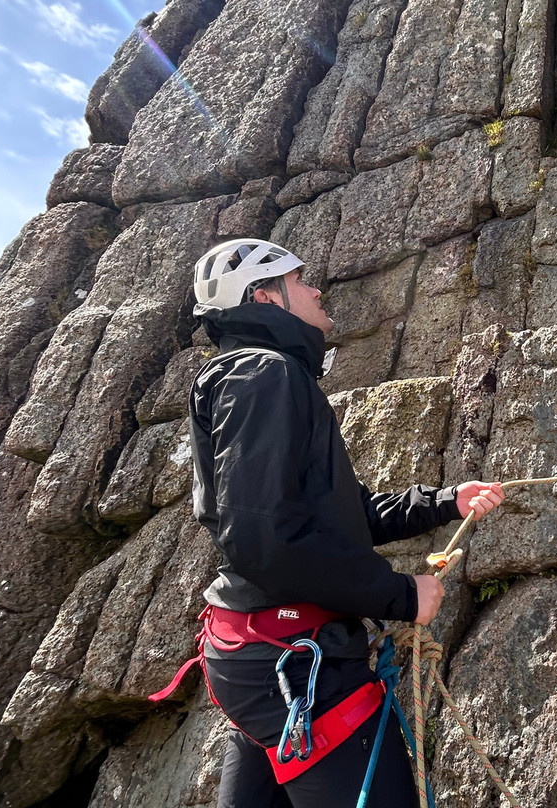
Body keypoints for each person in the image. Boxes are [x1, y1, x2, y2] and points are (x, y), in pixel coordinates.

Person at [186, 238, 505, 807]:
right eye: (299, 281)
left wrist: (446, 502)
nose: (315, 291)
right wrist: (399, 595)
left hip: (264, 654)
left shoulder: (260, 376)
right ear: (265, 298)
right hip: (294, 659)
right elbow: (262, 538)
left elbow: (342, 517)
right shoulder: (265, 375)